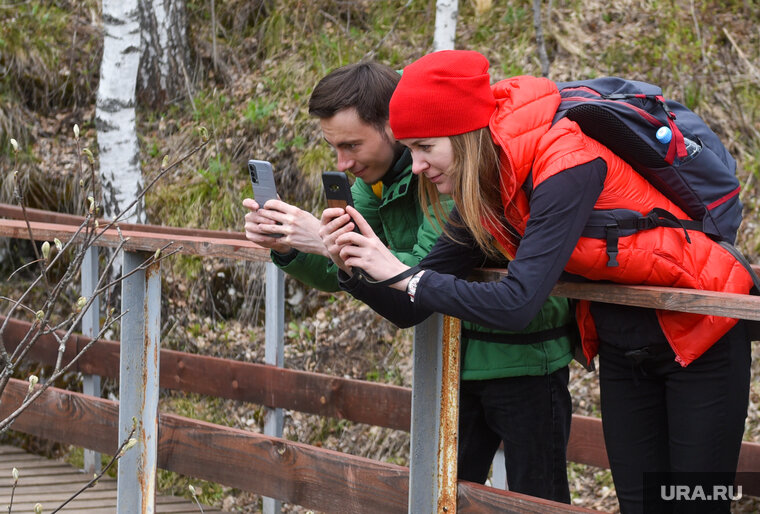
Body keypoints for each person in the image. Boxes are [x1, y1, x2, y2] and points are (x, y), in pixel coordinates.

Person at [321, 50, 754, 514]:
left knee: (696, 506)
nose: (419, 165)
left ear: (465, 133)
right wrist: (355, 267)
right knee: (641, 506)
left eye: (426, 147)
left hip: (702, 331)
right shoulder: (489, 186)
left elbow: (518, 302)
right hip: (624, 342)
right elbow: (412, 306)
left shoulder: (565, 159)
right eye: (411, 151)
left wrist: (403, 274)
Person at [243, 61, 576, 502]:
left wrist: (326, 244)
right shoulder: (374, 183)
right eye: (334, 147)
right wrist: (290, 246)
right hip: (451, 359)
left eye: (352, 145)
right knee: (444, 496)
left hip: (524, 359)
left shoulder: (446, 172)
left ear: (392, 127)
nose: (342, 163)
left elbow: (419, 273)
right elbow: (367, 272)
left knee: (538, 500)